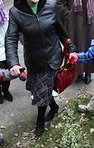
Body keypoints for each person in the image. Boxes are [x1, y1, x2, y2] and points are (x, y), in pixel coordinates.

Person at [6, 0, 76, 136]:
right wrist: (14, 63)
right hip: (33, 60)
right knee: (38, 87)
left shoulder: (52, 5)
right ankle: (54, 107)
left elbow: (62, 32)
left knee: (42, 91)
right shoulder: (15, 12)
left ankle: (40, 120)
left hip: (52, 58)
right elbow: (11, 39)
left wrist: (71, 48)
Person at [64, 0, 94, 84]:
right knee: (75, 46)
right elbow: (60, 2)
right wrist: (66, 14)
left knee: (88, 46)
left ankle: (88, 71)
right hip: (73, 21)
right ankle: (77, 72)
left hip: (89, 20)